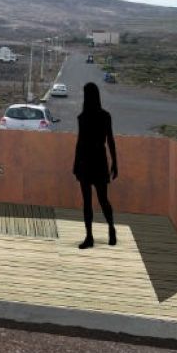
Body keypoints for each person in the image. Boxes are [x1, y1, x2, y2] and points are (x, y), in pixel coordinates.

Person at [72, 82, 118, 249]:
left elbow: (80, 143)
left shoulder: (82, 117)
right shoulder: (105, 116)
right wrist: (115, 162)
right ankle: (108, 230)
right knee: (102, 199)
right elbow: (110, 141)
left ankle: (91, 236)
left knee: (89, 201)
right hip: (99, 160)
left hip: (86, 161)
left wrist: (76, 164)